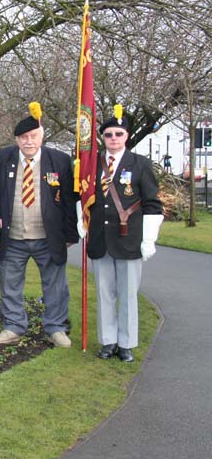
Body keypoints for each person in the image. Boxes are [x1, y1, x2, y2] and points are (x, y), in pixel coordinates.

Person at [0, 102, 78, 347]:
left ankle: (56, 327)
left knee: (55, 285)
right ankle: (14, 326)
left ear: (41, 135)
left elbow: (69, 198)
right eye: (23, 137)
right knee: (11, 285)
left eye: (33, 136)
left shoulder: (58, 160)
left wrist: (70, 232)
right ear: (17, 139)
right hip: (13, 236)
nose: (28, 141)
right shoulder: (3, 158)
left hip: (48, 237)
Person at [84, 105, 163, 363]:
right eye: (108, 134)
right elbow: (82, 195)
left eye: (119, 133)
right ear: (102, 137)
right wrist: (80, 220)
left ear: (126, 136)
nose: (114, 138)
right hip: (100, 239)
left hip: (129, 240)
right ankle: (108, 341)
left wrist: (149, 238)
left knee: (128, 294)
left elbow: (152, 203)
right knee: (104, 293)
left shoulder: (139, 164)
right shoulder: (92, 165)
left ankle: (127, 343)